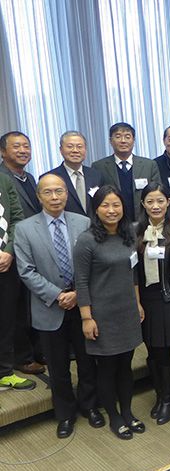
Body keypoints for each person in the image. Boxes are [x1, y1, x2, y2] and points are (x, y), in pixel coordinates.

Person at [14, 174, 101, 437]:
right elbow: (26, 271)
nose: (55, 197)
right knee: (58, 365)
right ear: (39, 196)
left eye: (59, 191)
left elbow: (92, 263)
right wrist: (57, 295)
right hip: (48, 307)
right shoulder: (25, 228)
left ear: (67, 193)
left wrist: (76, 294)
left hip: (81, 304)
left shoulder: (83, 222)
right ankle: (65, 414)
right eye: (48, 192)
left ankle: (91, 406)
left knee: (87, 361)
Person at [73, 185, 144, 440]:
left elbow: (133, 272)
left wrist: (137, 303)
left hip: (126, 311)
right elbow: (80, 281)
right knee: (106, 368)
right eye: (105, 205)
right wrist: (86, 317)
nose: (111, 210)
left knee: (125, 366)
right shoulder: (87, 240)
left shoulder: (129, 235)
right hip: (101, 314)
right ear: (96, 209)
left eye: (116, 205)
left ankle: (127, 412)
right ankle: (114, 417)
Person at [136, 183, 170, 425]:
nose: (155, 206)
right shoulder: (136, 231)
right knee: (151, 350)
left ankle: (169, 400)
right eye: (150, 201)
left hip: (167, 300)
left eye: (160, 201)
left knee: (165, 351)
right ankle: (159, 395)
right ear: (143, 204)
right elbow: (132, 270)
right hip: (144, 300)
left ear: (168, 202)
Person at [1, 131, 44, 374]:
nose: (22, 150)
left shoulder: (29, 178)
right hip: (12, 253)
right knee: (15, 309)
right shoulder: (2, 178)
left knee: (31, 304)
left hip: (33, 249)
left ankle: (36, 351)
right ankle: (22, 357)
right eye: (16, 146)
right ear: (3, 151)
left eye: (26, 146)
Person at [92, 122, 161, 222]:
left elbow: (157, 194)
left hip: (143, 222)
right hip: (112, 222)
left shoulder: (149, 165)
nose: (123, 141)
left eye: (127, 137)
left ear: (133, 140)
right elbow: (97, 198)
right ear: (111, 141)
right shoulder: (99, 166)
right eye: (118, 136)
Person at [47, 130, 105, 217]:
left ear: (85, 149)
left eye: (79, 146)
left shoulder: (96, 175)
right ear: (61, 150)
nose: (75, 150)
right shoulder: (50, 178)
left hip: (95, 228)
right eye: (70, 146)